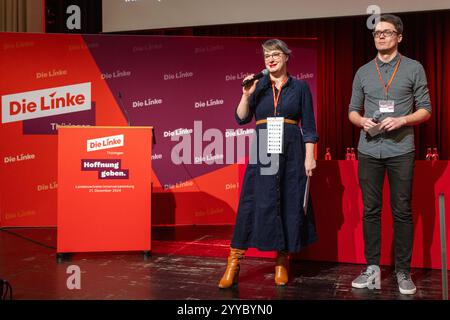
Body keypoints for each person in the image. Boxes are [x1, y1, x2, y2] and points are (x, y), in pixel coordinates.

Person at [218, 39, 319, 288]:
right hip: (264, 147)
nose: (270, 59)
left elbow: (309, 126)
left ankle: (282, 260)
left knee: (287, 201)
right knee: (252, 202)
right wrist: (245, 94)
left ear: (286, 57)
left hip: (292, 150)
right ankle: (234, 261)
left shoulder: (300, 87)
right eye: (266, 56)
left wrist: (309, 155)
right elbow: (241, 118)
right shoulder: (258, 86)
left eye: (275, 54)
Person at [348, 14, 432, 295]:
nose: (380, 36)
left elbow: (426, 109)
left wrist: (403, 120)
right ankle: (372, 268)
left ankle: (403, 271)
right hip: (369, 149)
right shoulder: (363, 71)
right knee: (371, 211)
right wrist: (361, 122)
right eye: (377, 33)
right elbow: (352, 111)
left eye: (387, 32)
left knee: (402, 212)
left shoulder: (413, 68)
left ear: (399, 37)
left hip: (400, 150)